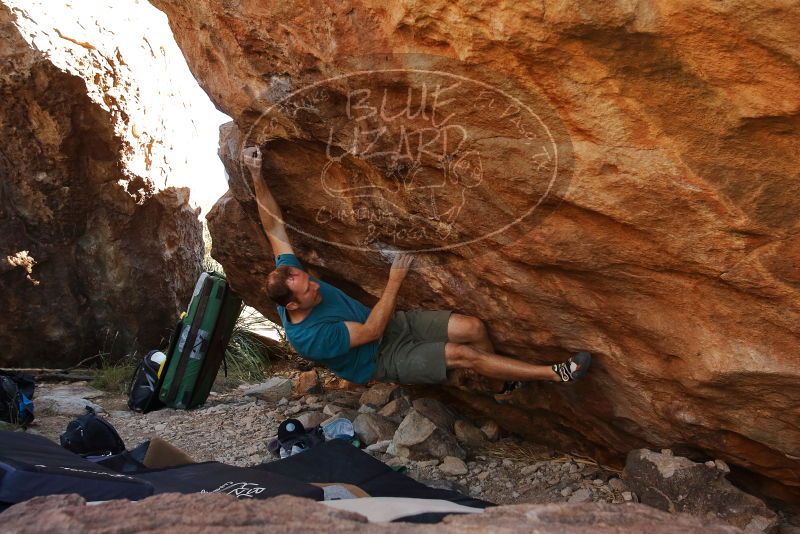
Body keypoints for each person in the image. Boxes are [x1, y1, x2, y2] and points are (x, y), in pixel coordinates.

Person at [242, 146, 591, 395]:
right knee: (462, 354)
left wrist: (257, 175)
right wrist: (395, 279)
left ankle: (499, 384)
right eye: (307, 291)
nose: (315, 287)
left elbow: (274, 228)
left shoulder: (288, 278)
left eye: (308, 281)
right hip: (381, 356)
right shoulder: (311, 338)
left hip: (394, 325)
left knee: (472, 327)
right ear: (292, 306)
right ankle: (556, 373)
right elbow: (373, 331)